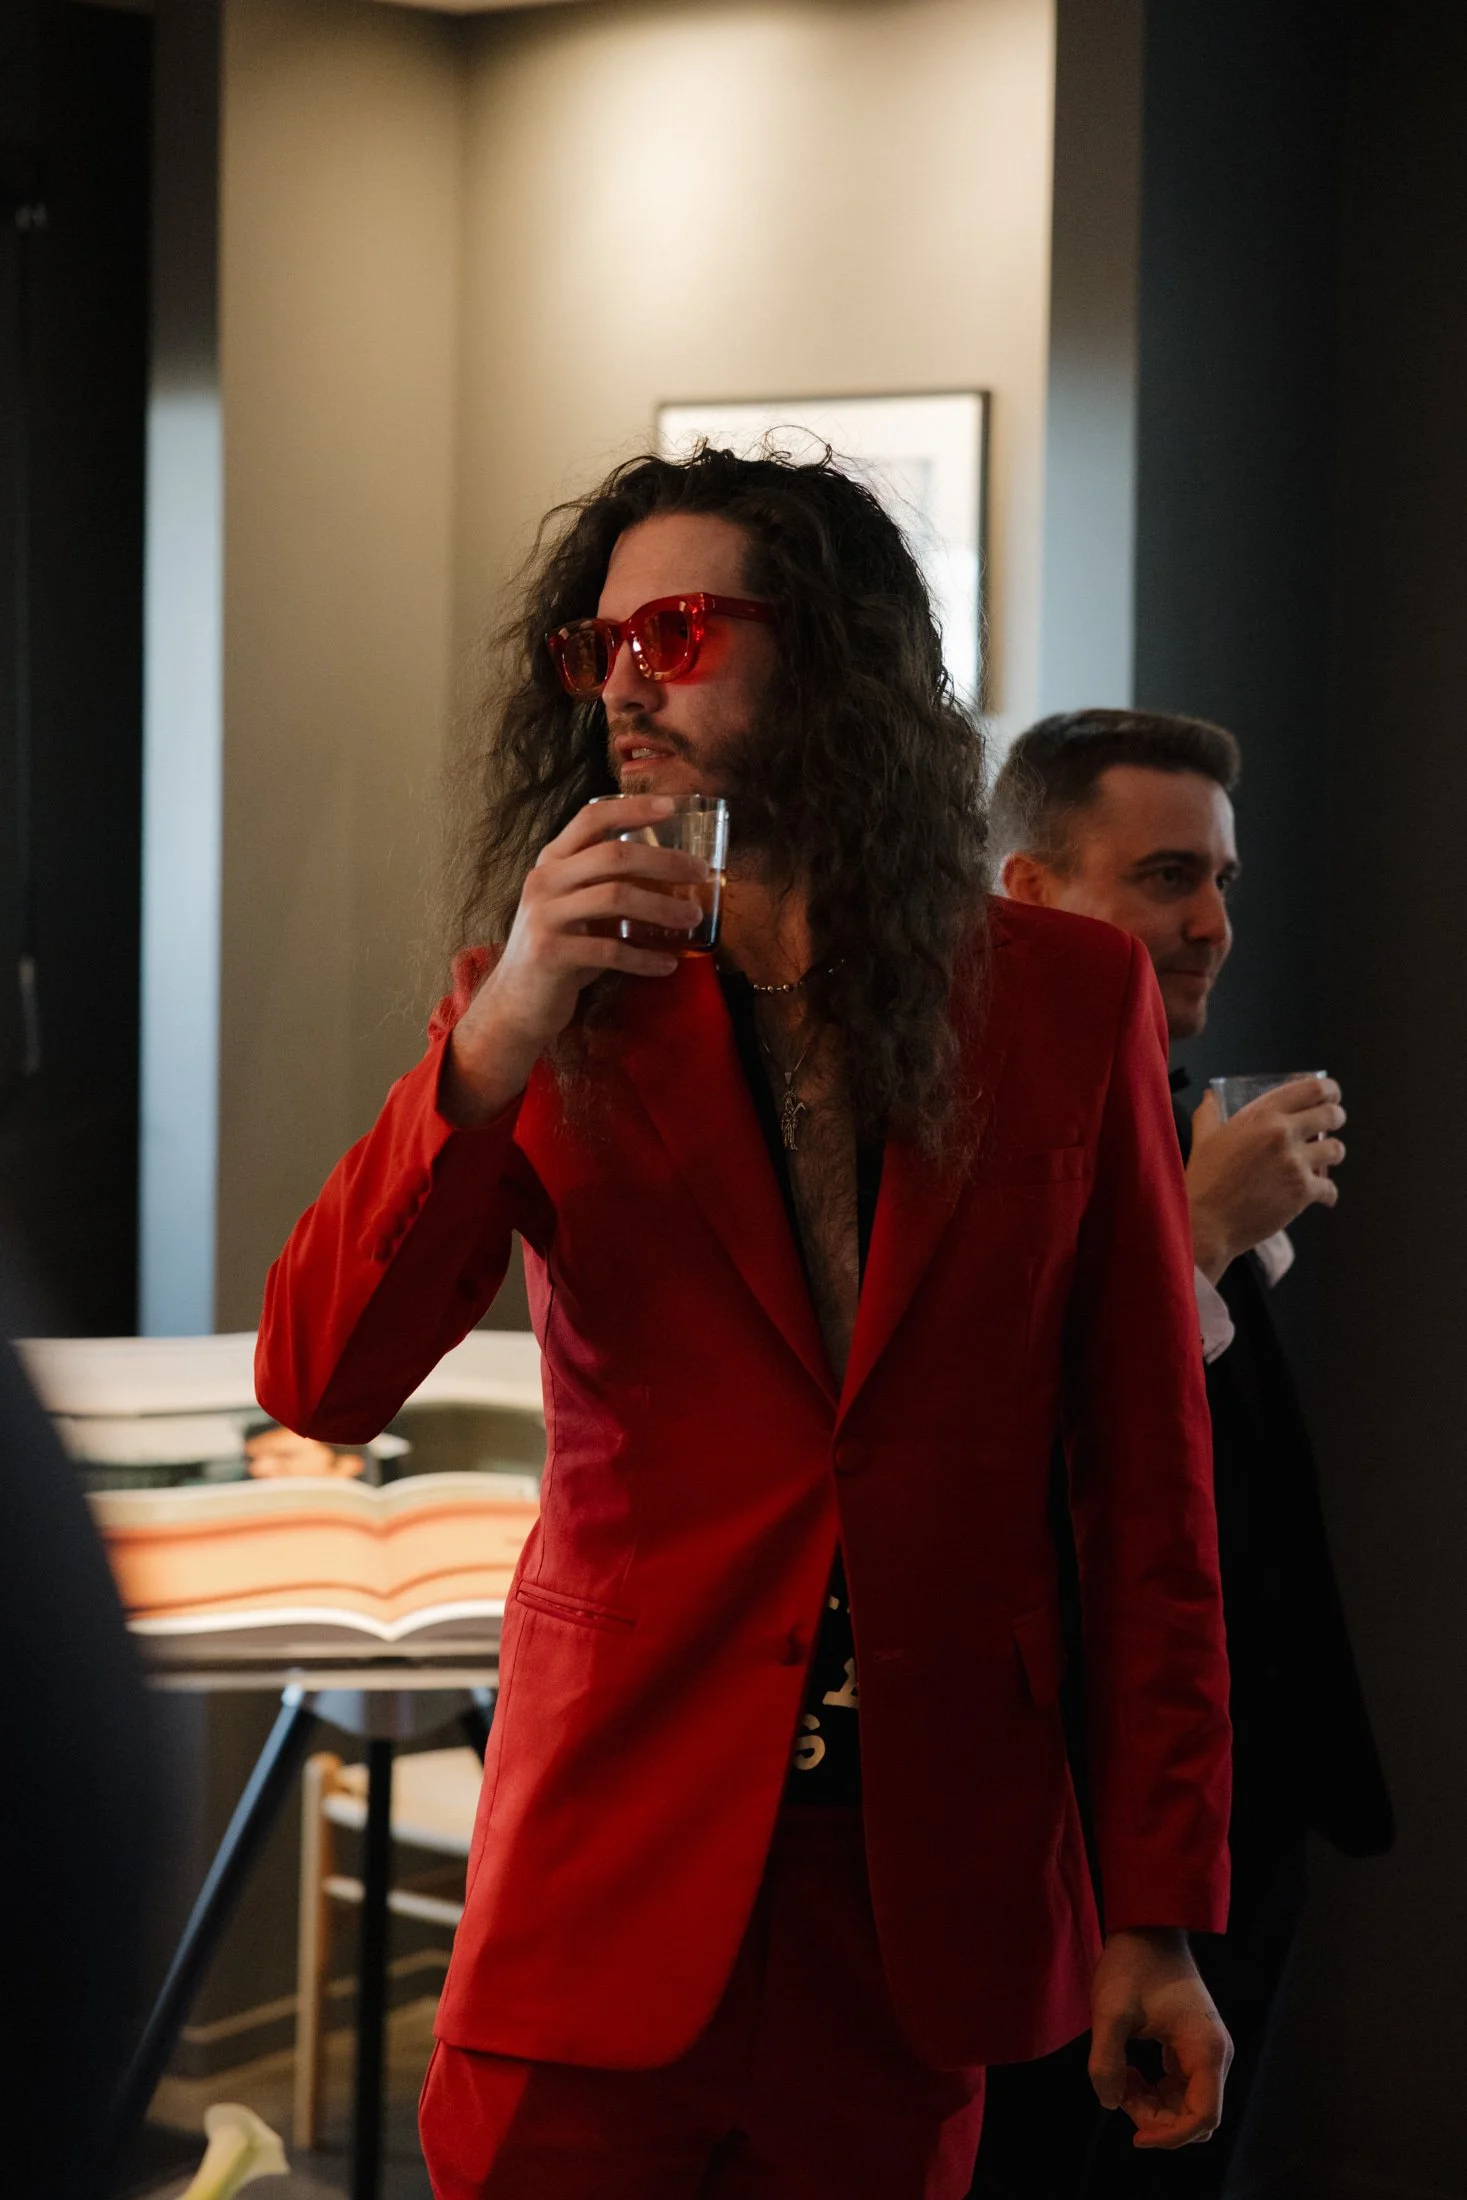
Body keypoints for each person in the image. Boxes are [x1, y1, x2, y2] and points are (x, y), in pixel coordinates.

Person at [256, 450, 1235, 2200]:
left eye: (681, 628)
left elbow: (1145, 1495)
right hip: (606, 1879)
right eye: (601, 642)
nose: (627, 674)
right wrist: (490, 1047)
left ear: (836, 655)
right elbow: (318, 1377)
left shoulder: (1062, 1004)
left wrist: (1152, 1909)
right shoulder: (545, 1004)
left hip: (912, 1902)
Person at [977, 709, 1392, 2197]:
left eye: (1220, 880)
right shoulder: (970, 1137)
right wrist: (1200, 1242)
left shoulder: (1160, 1115)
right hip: (1079, 1832)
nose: (1212, 923)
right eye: (1165, 877)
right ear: (1028, 895)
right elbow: (988, 1470)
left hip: (1240, 1809)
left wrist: (1219, 1255)